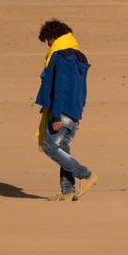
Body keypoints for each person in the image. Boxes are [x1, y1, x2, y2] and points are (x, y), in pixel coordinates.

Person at [35, 18, 95, 201]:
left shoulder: (61, 57)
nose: (48, 45)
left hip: (62, 111)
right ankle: (67, 191)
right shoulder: (78, 56)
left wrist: (55, 115)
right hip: (74, 110)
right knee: (63, 148)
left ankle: (85, 175)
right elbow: (82, 88)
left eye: (48, 41)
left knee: (50, 147)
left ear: (53, 37)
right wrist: (79, 112)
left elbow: (60, 87)